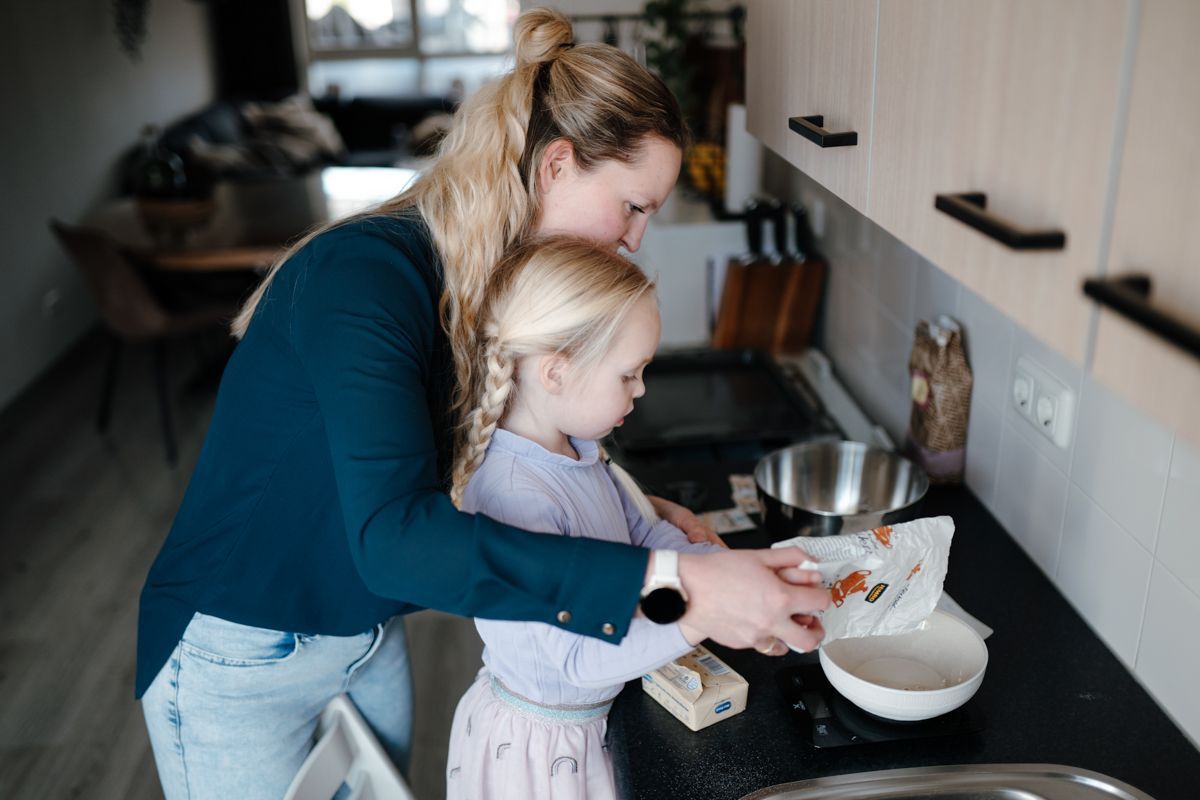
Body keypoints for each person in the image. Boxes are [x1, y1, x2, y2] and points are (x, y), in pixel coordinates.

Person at [136, 8, 828, 799]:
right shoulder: (364, 280)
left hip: (364, 633)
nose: (636, 239)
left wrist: (633, 515)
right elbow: (396, 541)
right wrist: (675, 580)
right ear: (556, 166)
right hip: (239, 655)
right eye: (634, 206)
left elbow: (490, 465)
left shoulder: (496, 282)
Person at [444, 236, 736, 799]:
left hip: (584, 726)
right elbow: (581, 658)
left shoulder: (576, 449)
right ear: (556, 372)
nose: (641, 389)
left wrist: (721, 571)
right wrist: (707, 611)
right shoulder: (515, 497)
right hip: (542, 756)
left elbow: (642, 534)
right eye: (628, 374)